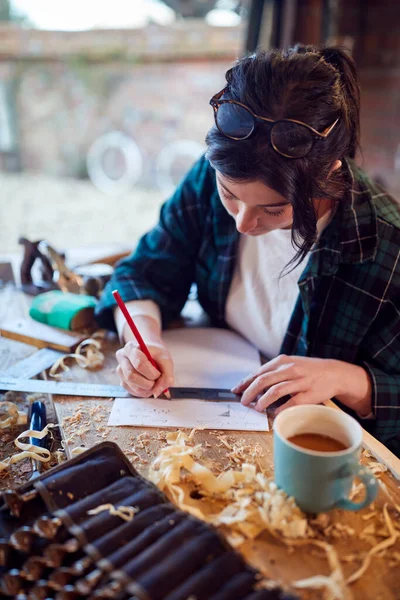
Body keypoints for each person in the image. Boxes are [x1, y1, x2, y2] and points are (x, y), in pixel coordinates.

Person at [95, 45, 400, 456]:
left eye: (273, 208)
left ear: (330, 171)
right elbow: (143, 273)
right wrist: (141, 341)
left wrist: (345, 379)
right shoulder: (212, 174)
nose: (242, 222)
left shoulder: (384, 245)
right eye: (230, 196)